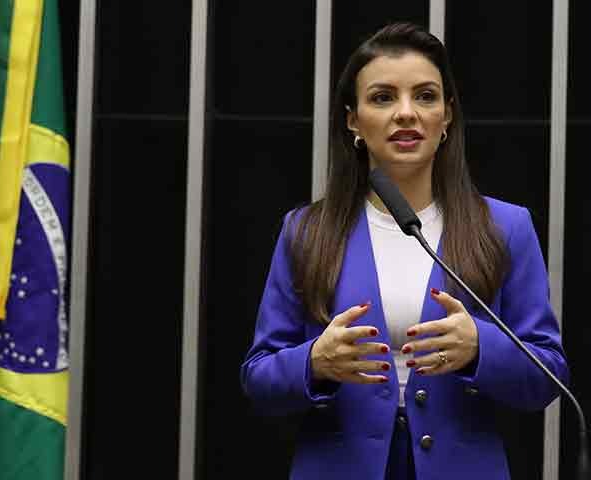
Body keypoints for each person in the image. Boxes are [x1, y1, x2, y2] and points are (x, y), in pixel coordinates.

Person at [240, 22, 568, 480]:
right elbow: (258, 378)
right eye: (383, 97)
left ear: (448, 115)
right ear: (353, 119)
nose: (406, 113)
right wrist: (314, 361)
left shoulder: (507, 226)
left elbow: (548, 378)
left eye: (426, 96)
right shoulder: (306, 230)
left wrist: (481, 347)